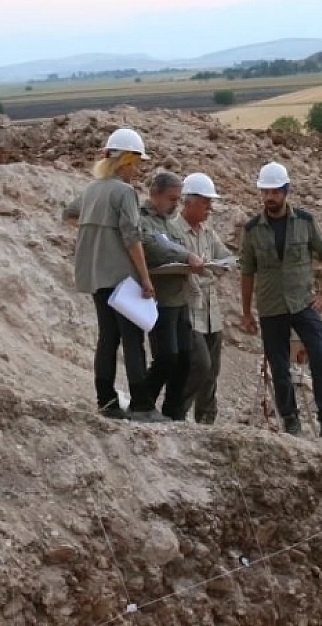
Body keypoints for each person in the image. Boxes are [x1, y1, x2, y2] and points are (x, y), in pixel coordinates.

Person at [239, 161, 322, 438]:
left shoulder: (305, 222)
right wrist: (246, 312)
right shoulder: (252, 230)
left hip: (303, 303)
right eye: (265, 192)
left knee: (320, 356)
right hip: (271, 306)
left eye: (275, 192)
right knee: (279, 368)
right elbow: (247, 272)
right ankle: (290, 422)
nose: (269, 197)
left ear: (286, 191)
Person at [65, 128, 157, 420]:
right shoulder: (125, 192)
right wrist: (145, 278)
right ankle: (142, 405)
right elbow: (132, 238)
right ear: (125, 160)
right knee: (132, 340)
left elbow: (69, 213)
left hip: (96, 275)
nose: (137, 169)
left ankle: (106, 401)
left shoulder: (92, 189)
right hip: (122, 278)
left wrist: (95, 231)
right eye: (136, 162)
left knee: (107, 338)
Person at [133, 171, 203, 421]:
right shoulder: (142, 220)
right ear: (155, 194)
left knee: (184, 357)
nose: (176, 204)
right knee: (166, 356)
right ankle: (142, 404)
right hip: (160, 300)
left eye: (178, 199)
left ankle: (173, 412)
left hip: (179, 297)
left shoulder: (170, 222)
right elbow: (153, 247)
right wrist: (185, 256)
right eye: (172, 199)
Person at [178, 172, 235, 424]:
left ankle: (206, 419)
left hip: (211, 310)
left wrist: (216, 267)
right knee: (200, 363)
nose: (209, 208)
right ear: (188, 202)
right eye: (205, 202)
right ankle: (177, 410)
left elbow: (226, 258)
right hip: (189, 307)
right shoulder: (175, 231)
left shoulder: (207, 232)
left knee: (213, 368)